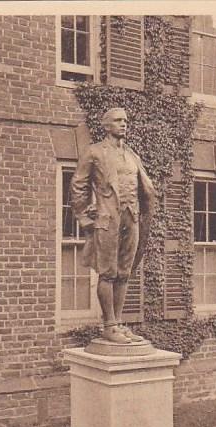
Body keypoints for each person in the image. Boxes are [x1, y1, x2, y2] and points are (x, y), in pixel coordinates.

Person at [70, 108, 155, 343]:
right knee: (107, 273)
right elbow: (78, 185)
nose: (124, 124)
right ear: (107, 126)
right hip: (108, 220)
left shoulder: (132, 155)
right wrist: (85, 218)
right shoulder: (95, 152)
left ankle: (118, 323)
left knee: (124, 272)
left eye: (126, 120)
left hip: (132, 216)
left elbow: (144, 189)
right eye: (118, 121)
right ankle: (108, 325)